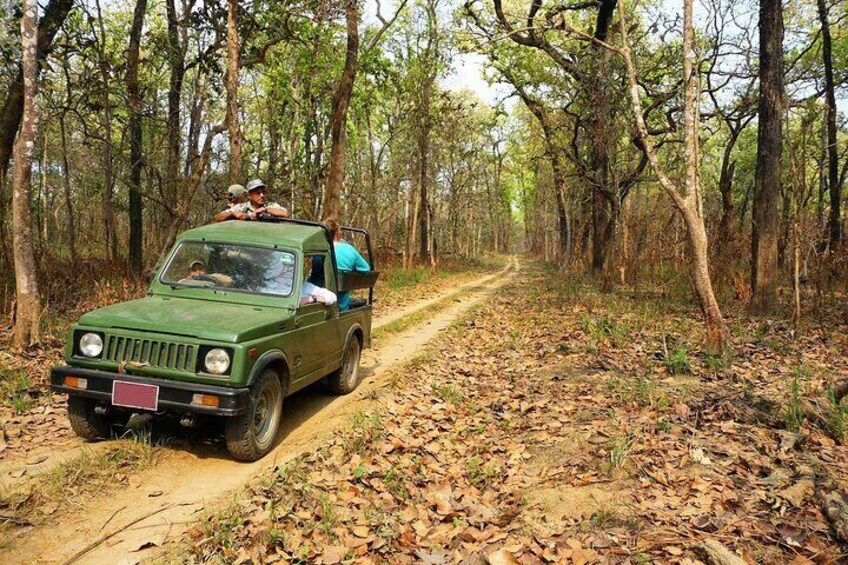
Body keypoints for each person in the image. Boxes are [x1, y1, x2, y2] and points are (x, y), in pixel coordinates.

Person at [327, 219, 370, 311]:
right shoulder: (349, 249)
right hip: (341, 304)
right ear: (337, 233)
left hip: (318, 302)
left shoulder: (319, 248)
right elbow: (366, 269)